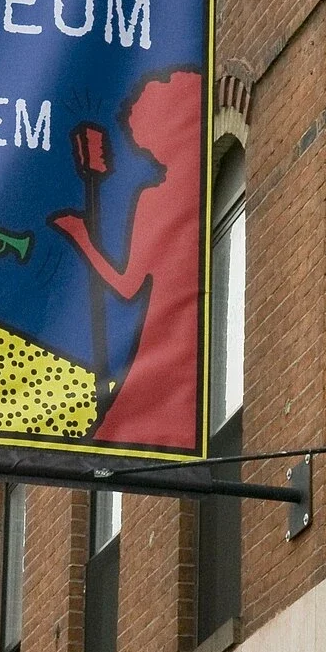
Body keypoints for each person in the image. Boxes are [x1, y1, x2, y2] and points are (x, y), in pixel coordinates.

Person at [50, 68, 204, 451]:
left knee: (121, 434)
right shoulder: (189, 184)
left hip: (163, 341)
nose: (140, 145)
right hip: (183, 337)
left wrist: (82, 238)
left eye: (143, 136)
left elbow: (127, 286)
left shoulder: (154, 198)